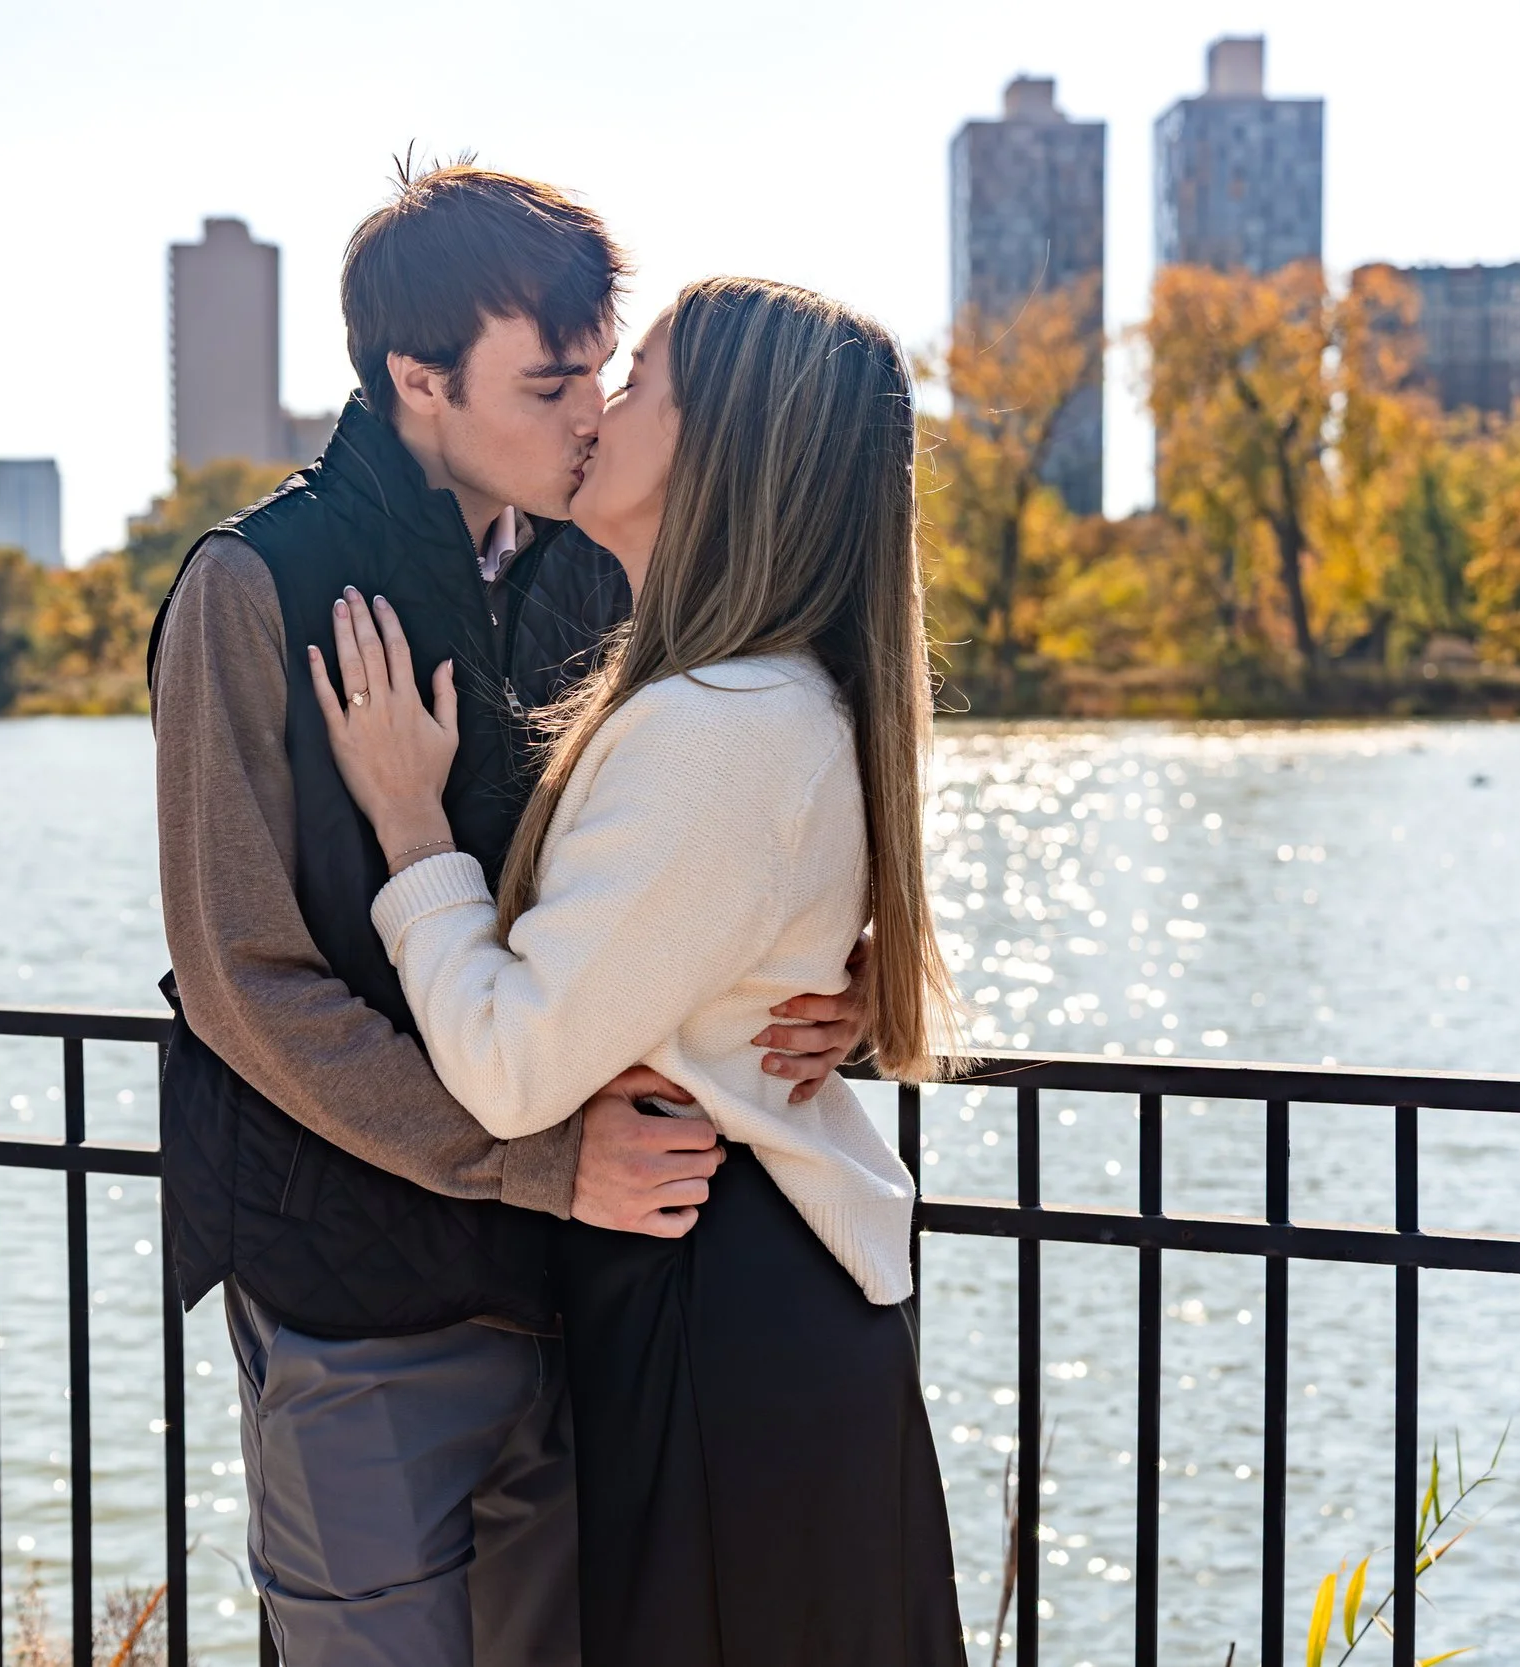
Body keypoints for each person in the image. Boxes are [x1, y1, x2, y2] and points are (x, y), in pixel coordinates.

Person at [147, 168, 873, 1667]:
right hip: (362, 1300)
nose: (592, 416)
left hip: (584, 1291)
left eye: (605, 377)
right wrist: (534, 1157)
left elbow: (682, 866)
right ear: (418, 377)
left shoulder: (594, 573)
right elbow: (240, 979)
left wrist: (826, 977)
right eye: (550, 386)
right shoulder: (250, 587)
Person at [312, 274, 970, 1664]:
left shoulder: (718, 721)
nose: (603, 407)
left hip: (717, 1312)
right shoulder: (759, 694)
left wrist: (410, 828)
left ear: (720, 445)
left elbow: (509, 1067)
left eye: (642, 381)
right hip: (738, 1299)